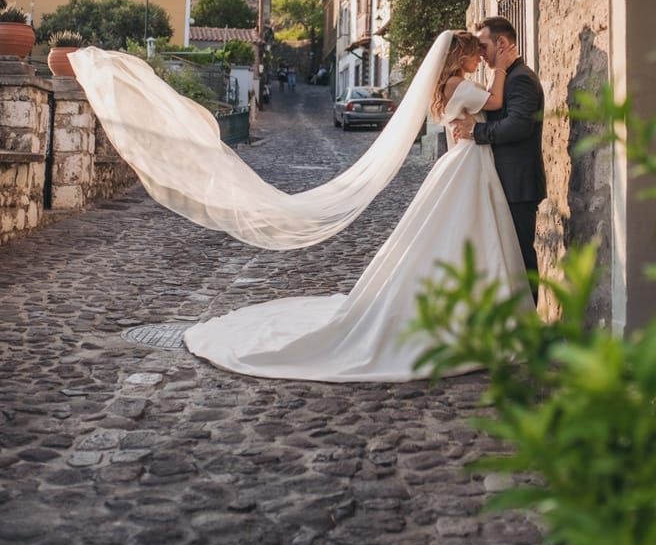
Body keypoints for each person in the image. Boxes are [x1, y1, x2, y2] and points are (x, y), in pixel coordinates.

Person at [70, 30, 533, 382]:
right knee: (462, 234)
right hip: (468, 163)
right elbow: (494, 100)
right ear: (461, 56)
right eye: (476, 54)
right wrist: (503, 66)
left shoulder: (450, 84)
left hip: (467, 163)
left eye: (483, 54)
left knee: (459, 236)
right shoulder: (463, 84)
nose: (480, 59)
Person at [451, 17, 545, 298]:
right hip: (501, 182)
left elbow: (519, 125)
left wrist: (477, 131)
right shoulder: (506, 78)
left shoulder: (521, 79)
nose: (479, 53)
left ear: (502, 43)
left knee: (520, 259)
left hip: (517, 185)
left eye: (483, 45)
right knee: (502, 259)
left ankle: (528, 324)